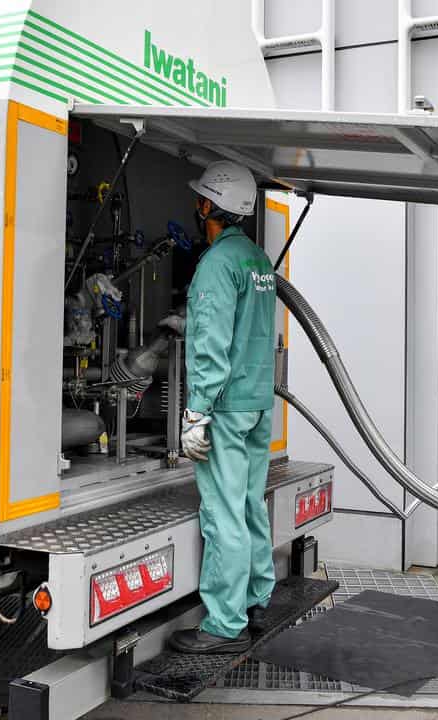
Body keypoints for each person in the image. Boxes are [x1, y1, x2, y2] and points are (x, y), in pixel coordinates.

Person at [168, 161, 278, 654]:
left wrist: (196, 413)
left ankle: (224, 623)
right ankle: (257, 597)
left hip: (226, 407)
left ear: (210, 206)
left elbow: (211, 345)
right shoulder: (257, 259)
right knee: (251, 502)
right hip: (256, 400)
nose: (197, 207)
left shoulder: (216, 263)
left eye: (200, 200)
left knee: (223, 512)